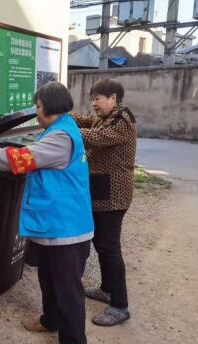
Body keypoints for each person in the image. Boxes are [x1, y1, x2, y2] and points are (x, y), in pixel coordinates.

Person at [0, 81, 94, 344]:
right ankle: (51, 320)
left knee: (67, 287)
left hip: (67, 228)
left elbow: (27, 158)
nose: (36, 112)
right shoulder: (58, 129)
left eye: (38, 106)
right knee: (48, 278)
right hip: (54, 224)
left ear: (51, 106)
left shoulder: (62, 136)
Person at [70, 78, 137, 327]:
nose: (94, 103)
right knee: (101, 243)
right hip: (102, 191)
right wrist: (65, 114)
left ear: (113, 98)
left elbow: (95, 137)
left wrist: (66, 129)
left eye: (98, 98)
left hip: (115, 195)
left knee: (109, 247)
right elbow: (87, 121)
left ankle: (120, 305)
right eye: (93, 98)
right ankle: (107, 289)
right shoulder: (107, 117)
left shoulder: (123, 120)